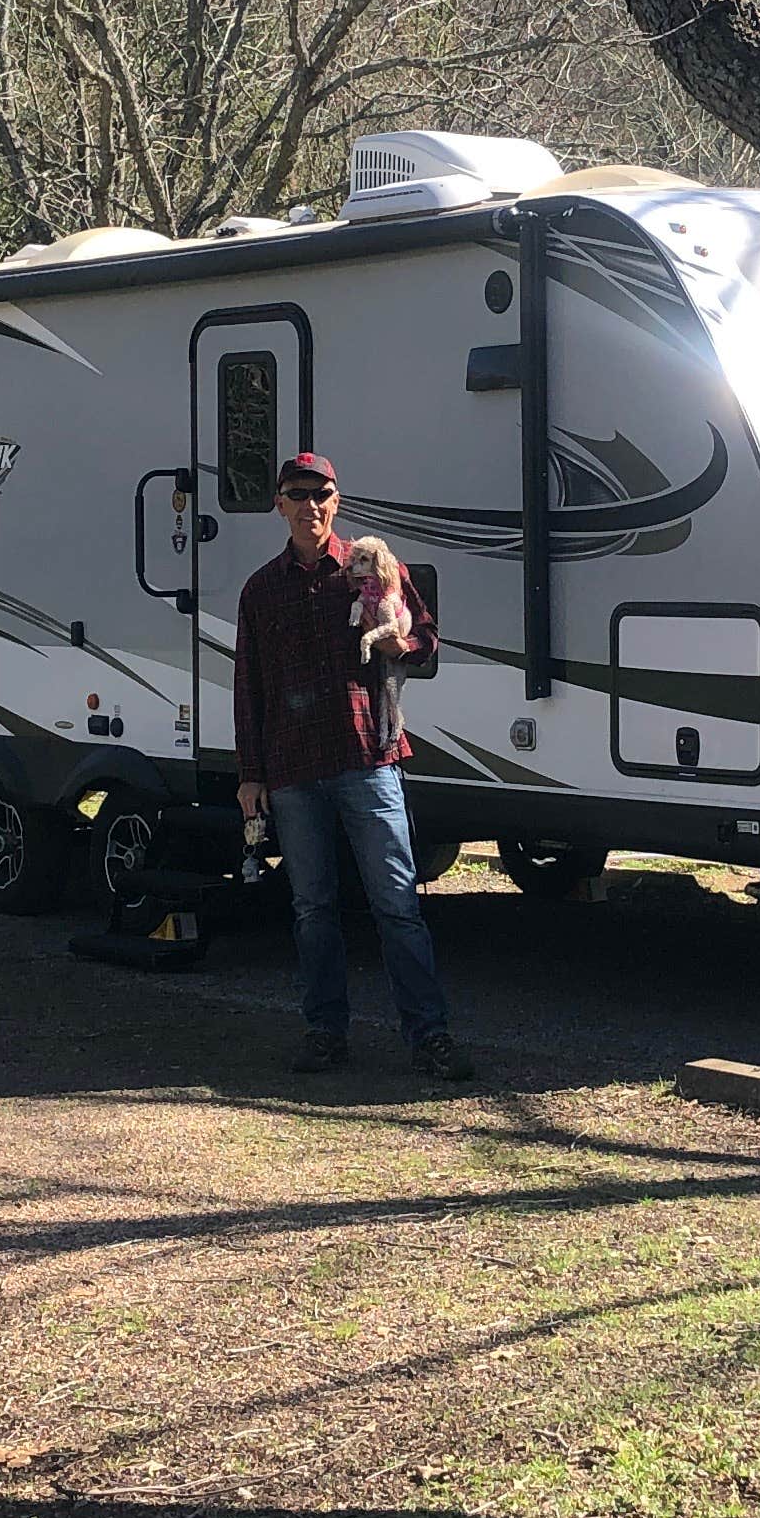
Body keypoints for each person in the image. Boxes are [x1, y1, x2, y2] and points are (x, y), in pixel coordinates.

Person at [232, 451, 474, 1080]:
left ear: (336, 502)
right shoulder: (261, 589)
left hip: (367, 757)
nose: (310, 506)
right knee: (313, 909)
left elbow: (426, 634)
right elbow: (248, 686)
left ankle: (429, 1038)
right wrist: (250, 775)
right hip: (292, 768)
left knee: (397, 902)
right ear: (279, 506)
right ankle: (324, 1034)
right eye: (297, 495)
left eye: (322, 495)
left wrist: (407, 644)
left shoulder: (371, 568)